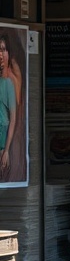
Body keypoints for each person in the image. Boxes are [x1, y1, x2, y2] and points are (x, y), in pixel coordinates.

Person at [0, 35, 17, 182]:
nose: (0, 54)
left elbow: (13, 119)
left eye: (3, 50)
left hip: (2, 137)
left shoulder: (9, 83)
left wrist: (6, 150)